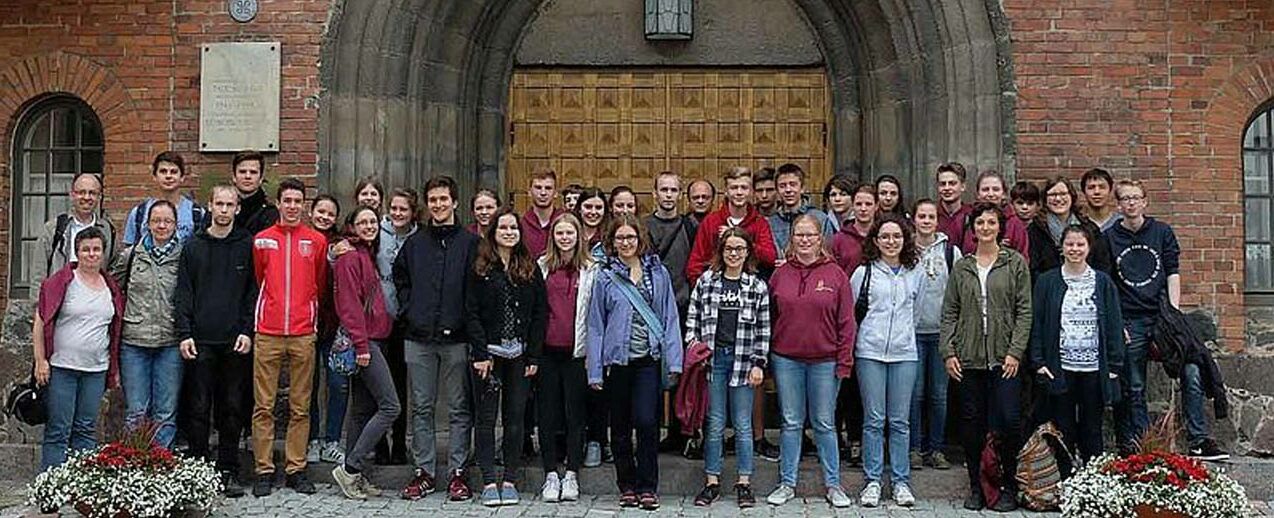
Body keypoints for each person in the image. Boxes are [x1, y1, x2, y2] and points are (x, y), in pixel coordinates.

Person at [1106, 180, 1228, 460]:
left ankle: (1198, 440)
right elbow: (1108, 283)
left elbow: (1172, 271)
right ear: (1119, 205)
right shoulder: (1110, 238)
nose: (1131, 203)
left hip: (1162, 315)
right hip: (1130, 319)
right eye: (1125, 198)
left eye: (1136, 198)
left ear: (1145, 202)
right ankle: (1142, 443)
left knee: (1193, 370)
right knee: (1134, 384)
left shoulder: (1161, 232)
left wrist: (1172, 313)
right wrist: (1118, 323)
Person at [586, 213, 684, 511]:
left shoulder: (658, 274)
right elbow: (595, 324)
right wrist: (594, 370)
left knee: (646, 422)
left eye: (630, 237)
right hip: (616, 363)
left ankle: (647, 486)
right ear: (612, 243)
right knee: (619, 428)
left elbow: (669, 318)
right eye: (620, 238)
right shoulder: (605, 277)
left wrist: (675, 361)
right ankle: (626, 484)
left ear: (640, 240)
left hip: (648, 361)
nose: (625, 243)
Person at [393, 175, 481, 501]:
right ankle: (424, 471)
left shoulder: (471, 243)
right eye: (433, 200)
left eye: (444, 199)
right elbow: (400, 278)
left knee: (459, 407)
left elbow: (477, 287)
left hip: (457, 338)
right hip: (419, 338)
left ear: (455, 202)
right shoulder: (414, 244)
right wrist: (409, 309)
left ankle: (458, 472)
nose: (439, 205)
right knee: (421, 407)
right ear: (427, 205)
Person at [941, 202, 1032, 512]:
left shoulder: (1015, 263)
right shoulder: (962, 266)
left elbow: (1024, 311)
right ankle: (977, 486)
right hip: (968, 358)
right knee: (971, 425)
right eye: (980, 223)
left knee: (1008, 420)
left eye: (991, 222)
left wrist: (1015, 352)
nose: (985, 228)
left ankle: (1007, 484)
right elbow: (949, 311)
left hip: (1004, 358)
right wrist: (948, 351)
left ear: (999, 227)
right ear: (972, 228)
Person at [765, 214, 856, 508]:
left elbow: (847, 322)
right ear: (792, 239)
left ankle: (833, 484)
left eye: (810, 235)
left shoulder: (836, 275)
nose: (805, 240)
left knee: (824, 423)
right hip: (786, 359)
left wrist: (844, 361)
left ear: (821, 239)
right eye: (799, 235)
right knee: (791, 422)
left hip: (825, 361)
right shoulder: (780, 274)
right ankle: (787, 482)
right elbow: (770, 317)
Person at [175, 185, 257, 497]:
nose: (223, 210)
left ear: (238, 208)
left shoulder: (246, 244)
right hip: (200, 340)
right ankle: (198, 471)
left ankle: (228, 469)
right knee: (197, 407)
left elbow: (254, 292)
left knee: (232, 408)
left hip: (235, 340)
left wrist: (247, 331)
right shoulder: (193, 245)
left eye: (229, 204)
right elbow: (183, 292)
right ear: (210, 206)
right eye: (219, 204)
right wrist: (185, 333)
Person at [250, 178, 330, 496]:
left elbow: (319, 283)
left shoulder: (316, 241)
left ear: (304, 205)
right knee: (264, 405)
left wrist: (308, 314)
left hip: (302, 332)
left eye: (298, 201)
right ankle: (264, 469)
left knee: (300, 406)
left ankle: (296, 469)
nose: (293, 206)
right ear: (279, 204)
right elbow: (259, 279)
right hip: (268, 331)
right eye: (288, 200)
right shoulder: (261, 240)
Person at [467, 208, 547, 506]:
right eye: (504, 228)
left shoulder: (529, 266)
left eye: (514, 227)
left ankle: (510, 479)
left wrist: (534, 357)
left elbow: (540, 313)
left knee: (515, 419)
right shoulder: (480, 265)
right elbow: (471, 311)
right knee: (486, 419)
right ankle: (489, 481)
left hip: (520, 355)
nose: (509, 232)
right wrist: (479, 352)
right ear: (493, 232)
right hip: (487, 355)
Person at [687, 228, 771, 509]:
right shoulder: (707, 281)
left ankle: (744, 482)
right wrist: (694, 347)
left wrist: (759, 362)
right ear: (721, 252)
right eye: (728, 249)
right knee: (714, 422)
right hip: (714, 360)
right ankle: (712, 481)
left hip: (744, 360)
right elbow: (693, 317)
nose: (733, 254)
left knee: (743, 424)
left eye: (739, 249)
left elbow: (763, 329)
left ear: (747, 252)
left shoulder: (756, 286)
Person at [1029, 224, 1125, 463]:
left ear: (1089, 247)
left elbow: (1113, 323)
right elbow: (1037, 323)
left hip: (1094, 367)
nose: (1075, 249)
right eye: (1070, 244)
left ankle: (1091, 483)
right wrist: (1039, 361)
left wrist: (1114, 365)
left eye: (1080, 244)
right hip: (1060, 366)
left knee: (1092, 428)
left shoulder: (1102, 282)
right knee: (1063, 428)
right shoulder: (1047, 281)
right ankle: (1065, 480)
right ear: (1062, 248)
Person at [34, 227, 123, 471]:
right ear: (77, 253)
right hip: (62, 367)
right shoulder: (60, 282)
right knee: (58, 428)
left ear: (104, 253)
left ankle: (80, 486)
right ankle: (51, 486)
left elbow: (114, 329)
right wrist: (41, 360)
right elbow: (41, 321)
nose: (91, 254)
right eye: (86, 249)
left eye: (96, 249)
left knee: (85, 428)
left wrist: (113, 368)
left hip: (95, 369)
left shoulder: (111, 287)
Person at [330, 206, 401, 500]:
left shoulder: (365, 253)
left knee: (361, 411)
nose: (369, 226)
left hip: (376, 338)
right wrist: (361, 346)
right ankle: (349, 468)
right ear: (352, 226)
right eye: (363, 222)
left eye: (373, 221)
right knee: (390, 407)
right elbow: (349, 306)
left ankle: (355, 476)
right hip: (366, 342)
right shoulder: (349, 256)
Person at [852, 215, 923, 508]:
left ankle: (900, 481)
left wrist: (904, 337)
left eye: (896, 236)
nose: (891, 242)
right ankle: (872, 481)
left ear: (905, 240)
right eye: (885, 237)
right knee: (873, 419)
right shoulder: (863, 272)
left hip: (904, 353)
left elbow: (916, 312)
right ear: (875, 241)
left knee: (899, 421)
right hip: (870, 352)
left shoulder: (915, 272)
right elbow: (854, 311)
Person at [112, 200, 185, 448]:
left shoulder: (185, 255)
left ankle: (162, 466)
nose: (161, 225)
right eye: (156, 221)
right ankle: (135, 466)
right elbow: (114, 291)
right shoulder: (131, 256)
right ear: (147, 224)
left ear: (176, 225)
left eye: (167, 221)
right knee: (136, 412)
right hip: (134, 342)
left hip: (170, 342)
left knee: (166, 412)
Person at [536, 214, 596, 503]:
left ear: (578, 235)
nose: (564, 237)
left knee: (575, 414)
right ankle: (550, 473)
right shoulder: (542, 266)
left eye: (569, 232)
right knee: (547, 414)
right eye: (559, 233)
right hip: (547, 351)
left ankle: (571, 472)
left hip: (577, 353)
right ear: (553, 237)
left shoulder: (592, 269)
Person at [908, 199, 960, 471]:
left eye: (931, 216)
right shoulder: (906, 250)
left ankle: (936, 449)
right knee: (915, 394)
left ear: (937, 221)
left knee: (939, 395)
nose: (926, 221)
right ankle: (915, 448)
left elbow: (959, 292)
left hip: (942, 334)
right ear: (914, 219)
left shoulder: (951, 252)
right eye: (921, 216)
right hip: (913, 334)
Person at [369, 189, 419, 466]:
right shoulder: (378, 232)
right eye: (394, 208)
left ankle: (399, 442)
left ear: (413, 212)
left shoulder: (418, 237)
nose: (398, 213)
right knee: (379, 386)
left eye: (404, 209)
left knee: (399, 385)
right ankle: (379, 445)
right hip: (378, 318)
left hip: (404, 321)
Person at [829, 183, 875, 463]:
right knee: (841, 379)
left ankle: (858, 438)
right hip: (842, 315)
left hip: (874, 317)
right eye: (859, 203)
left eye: (868, 203)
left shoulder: (884, 235)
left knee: (861, 383)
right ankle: (835, 439)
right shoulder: (839, 239)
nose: (863, 208)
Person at [306, 194, 348, 466]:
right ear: (311, 212)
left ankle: (332, 440)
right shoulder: (302, 240)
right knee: (308, 386)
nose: (324, 217)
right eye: (320, 211)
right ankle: (312, 440)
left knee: (338, 384)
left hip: (334, 326)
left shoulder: (341, 244)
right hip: (306, 324)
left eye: (330, 213)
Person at [686, 166, 778, 282]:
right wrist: (702, 290)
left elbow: (770, 257)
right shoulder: (711, 221)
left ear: (751, 191)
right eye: (734, 188)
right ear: (726, 191)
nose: (739, 192)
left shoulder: (760, 222)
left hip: (750, 291)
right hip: (715, 290)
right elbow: (695, 263)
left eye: (744, 188)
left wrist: (742, 239)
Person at [32, 172, 116, 288]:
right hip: (60, 301)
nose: (86, 197)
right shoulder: (53, 229)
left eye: (92, 193)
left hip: (96, 300)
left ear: (99, 197)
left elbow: (112, 272)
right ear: (72, 195)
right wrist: (38, 305)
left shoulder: (108, 231)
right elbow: (39, 275)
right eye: (81, 192)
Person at [1027, 177, 1113, 282]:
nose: (1058, 199)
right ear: (1045, 199)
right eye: (1053, 195)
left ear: (1071, 196)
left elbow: (1102, 264)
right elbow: (1033, 268)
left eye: (1063, 194)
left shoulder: (1090, 229)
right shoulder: (1035, 230)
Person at [122, 152, 204, 247]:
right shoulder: (139, 213)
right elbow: (129, 249)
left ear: (182, 177)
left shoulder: (197, 214)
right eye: (163, 171)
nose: (168, 176)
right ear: (154, 176)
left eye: (173, 172)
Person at [957, 170, 1030, 258]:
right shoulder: (967, 219)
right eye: (985, 190)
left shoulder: (1015, 224)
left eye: (996, 189)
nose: (990, 194)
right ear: (978, 194)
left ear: (1003, 194)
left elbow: (1023, 259)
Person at [768, 163, 833, 252]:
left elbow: (828, 252)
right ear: (777, 190)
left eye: (793, 184)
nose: (788, 190)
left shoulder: (820, 218)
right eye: (782, 186)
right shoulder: (771, 222)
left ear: (802, 188)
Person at [230, 151, 281, 236]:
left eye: (253, 172)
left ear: (261, 178)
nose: (247, 176)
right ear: (234, 177)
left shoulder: (270, 214)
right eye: (242, 172)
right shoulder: (220, 208)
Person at [522, 167, 565, 258]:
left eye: (548, 188)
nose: (543, 193)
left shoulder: (566, 222)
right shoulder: (521, 224)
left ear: (555, 193)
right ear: (529, 192)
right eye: (538, 188)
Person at [935, 162, 973, 244]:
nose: (947, 188)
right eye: (942, 184)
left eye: (952, 183)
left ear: (963, 186)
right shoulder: (931, 215)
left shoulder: (972, 215)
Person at [574, 187, 609, 263]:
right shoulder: (570, 234)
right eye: (588, 207)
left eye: (598, 208)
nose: (593, 212)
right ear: (579, 209)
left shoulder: (610, 238)